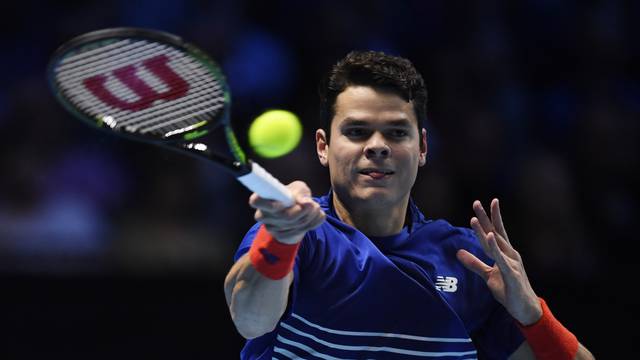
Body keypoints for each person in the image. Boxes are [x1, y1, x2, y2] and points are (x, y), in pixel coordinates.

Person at [224, 51, 595, 359]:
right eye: (356, 131)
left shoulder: (469, 260)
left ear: (422, 148)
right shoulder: (296, 235)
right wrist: (281, 240)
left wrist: (530, 313)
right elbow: (251, 320)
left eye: (397, 132)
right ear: (323, 147)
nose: (377, 145)